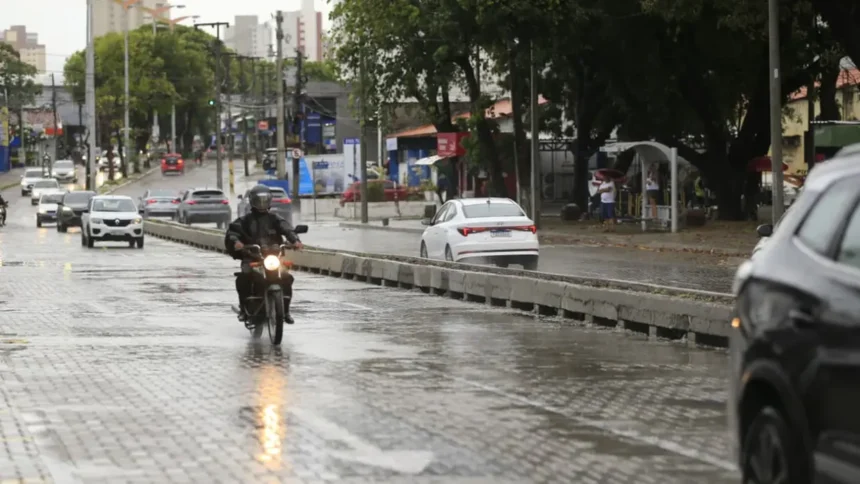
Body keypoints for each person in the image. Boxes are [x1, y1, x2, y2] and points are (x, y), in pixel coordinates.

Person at [224, 185, 303, 324]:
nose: (262, 203)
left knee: (287, 277)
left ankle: (285, 311)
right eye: (259, 200)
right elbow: (233, 232)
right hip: (252, 257)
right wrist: (236, 242)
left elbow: (287, 229)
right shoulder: (244, 220)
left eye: (265, 200)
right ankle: (243, 309)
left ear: (269, 200)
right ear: (252, 201)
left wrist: (295, 240)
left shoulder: (275, 219)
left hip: (273, 257)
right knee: (243, 278)